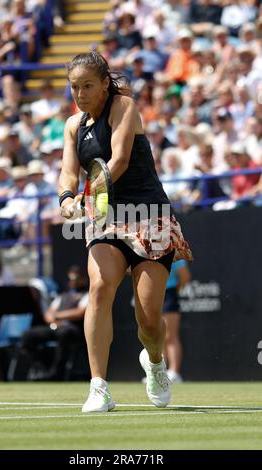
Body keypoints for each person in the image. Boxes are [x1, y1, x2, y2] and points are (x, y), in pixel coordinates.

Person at [58, 52, 193, 413]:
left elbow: (116, 161)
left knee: (149, 319)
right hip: (107, 219)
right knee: (99, 289)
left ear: (104, 83)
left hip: (150, 214)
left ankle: (155, 362)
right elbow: (69, 172)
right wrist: (67, 198)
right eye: (74, 87)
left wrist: (86, 197)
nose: (80, 93)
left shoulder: (124, 106)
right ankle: (99, 386)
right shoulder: (74, 126)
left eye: (87, 85)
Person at [21, 266, 88, 381]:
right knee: (28, 335)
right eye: (70, 279)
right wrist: (54, 320)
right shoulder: (62, 296)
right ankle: (42, 368)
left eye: (75, 279)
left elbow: (79, 313)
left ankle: (57, 372)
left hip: (73, 330)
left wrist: (57, 316)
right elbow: (48, 314)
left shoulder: (87, 294)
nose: (73, 281)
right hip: (56, 327)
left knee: (64, 333)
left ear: (83, 279)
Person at [162, 260, 191, 384]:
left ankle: (173, 372)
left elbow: (185, 276)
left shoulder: (173, 249)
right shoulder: (145, 249)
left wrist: (176, 289)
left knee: (170, 336)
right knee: (156, 337)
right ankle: (158, 373)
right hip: (151, 293)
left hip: (169, 294)